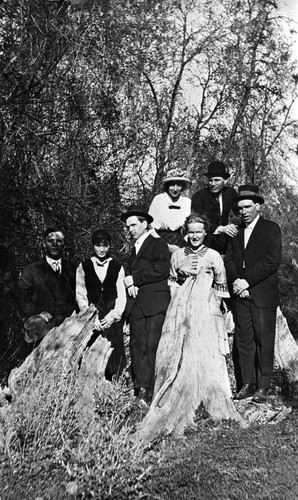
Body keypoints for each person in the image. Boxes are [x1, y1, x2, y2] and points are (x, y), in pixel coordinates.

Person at [138, 214, 243, 442]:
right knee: (182, 350)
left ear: (205, 233)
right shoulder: (177, 255)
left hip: (206, 310)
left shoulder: (214, 256)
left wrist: (210, 301)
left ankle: (210, 397)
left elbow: (221, 286)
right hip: (181, 311)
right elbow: (171, 280)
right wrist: (181, 292)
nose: (195, 236)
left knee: (206, 350)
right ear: (186, 233)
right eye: (191, 232)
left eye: (199, 231)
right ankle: (179, 396)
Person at [225, 185, 282, 404]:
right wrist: (237, 282)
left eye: (248, 207)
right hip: (240, 294)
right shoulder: (235, 231)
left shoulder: (271, 229)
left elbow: (272, 261)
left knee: (263, 340)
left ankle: (263, 385)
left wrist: (248, 281)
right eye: (240, 208)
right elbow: (229, 260)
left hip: (262, 294)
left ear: (258, 206)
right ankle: (247, 383)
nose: (244, 212)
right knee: (244, 340)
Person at [120, 204, 171, 404]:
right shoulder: (134, 247)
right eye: (127, 227)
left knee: (152, 346)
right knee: (136, 345)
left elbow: (162, 270)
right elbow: (129, 271)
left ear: (145, 223)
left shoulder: (158, 244)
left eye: (133, 225)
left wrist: (135, 279)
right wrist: (129, 280)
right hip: (137, 304)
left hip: (155, 303)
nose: (130, 230)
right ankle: (140, 387)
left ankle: (149, 389)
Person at [76, 229, 126, 380]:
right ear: (93, 246)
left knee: (114, 347)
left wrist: (115, 314)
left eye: (105, 245)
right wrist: (90, 318)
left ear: (110, 246)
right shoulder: (83, 266)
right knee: (92, 347)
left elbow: (121, 294)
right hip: (93, 313)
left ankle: (116, 382)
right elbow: (80, 294)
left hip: (111, 314)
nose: (102, 249)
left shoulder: (117, 266)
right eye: (98, 245)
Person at [17, 226, 77, 342]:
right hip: (42, 332)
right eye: (50, 241)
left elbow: (80, 296)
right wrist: (39, 313)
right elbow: (22, 299)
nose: (55, 244)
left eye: (59, 241)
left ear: (64, 244)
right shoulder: (31, 270)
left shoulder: (74, 269)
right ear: (44, 243)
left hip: (70, 332)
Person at [191, 161, 238, 254]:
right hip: (205, 242)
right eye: (210, 180)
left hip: (225, 242)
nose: (212, 184)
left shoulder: (230, 193)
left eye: (216, 180)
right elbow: (199, 222)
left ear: (225, 180)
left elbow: (239, 212)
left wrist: (234, 224)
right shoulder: (199, 197)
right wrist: (221, 228)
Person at [148, 168, 192, 252]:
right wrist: (166, 246)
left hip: (181, 240)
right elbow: (150, 228)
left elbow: (190, 228)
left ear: (182, 187)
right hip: (160, 240)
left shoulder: (187, 202)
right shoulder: (159, 199)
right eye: (172, 185)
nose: (175, 189)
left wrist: (184, 244)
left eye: (178, 185)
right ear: (167, 185)